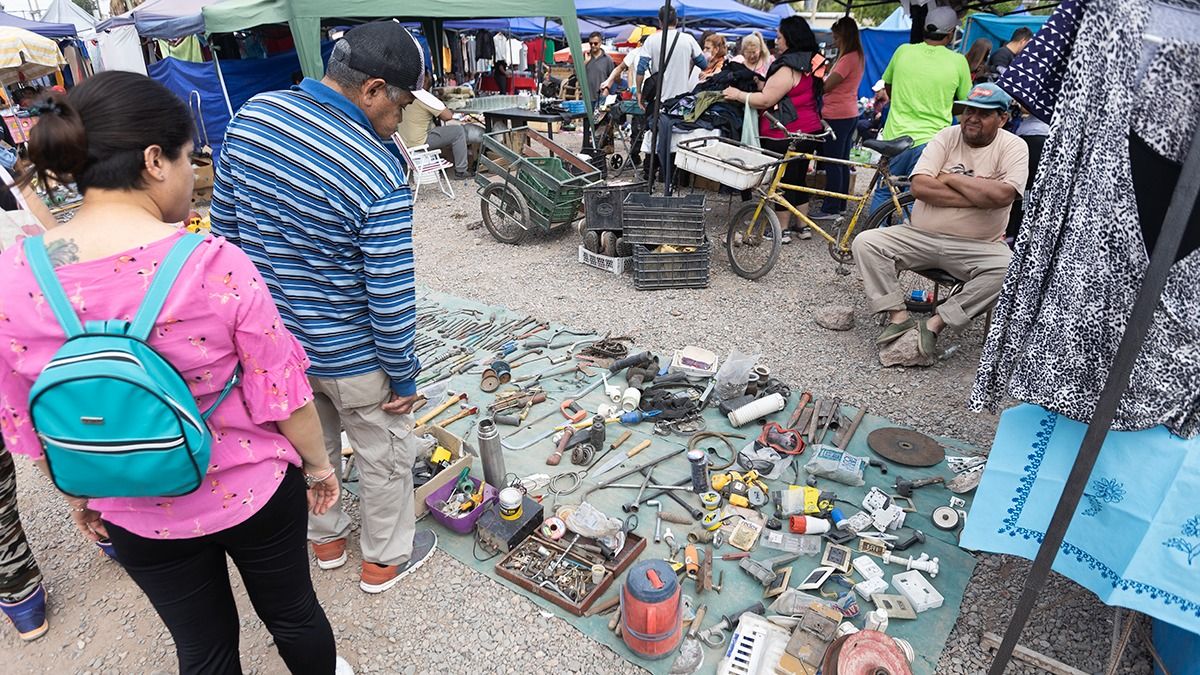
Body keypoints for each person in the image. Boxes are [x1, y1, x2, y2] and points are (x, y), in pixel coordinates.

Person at [0, 71, 346, 673]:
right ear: (156, 160)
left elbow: (25, 410)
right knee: (293, 614)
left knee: (202, 647)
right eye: (191, 158)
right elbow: (284, 396)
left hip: (132, 502)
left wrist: (81, 491)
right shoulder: (215, 263)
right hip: (252, 490)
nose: (193, 175)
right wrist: (318, 466)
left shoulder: (15, 275)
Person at [210, 22, 437, 596]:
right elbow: (388, 288)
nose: (403, 117)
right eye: (403, 103)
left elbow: (227, 245)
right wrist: (404, 372)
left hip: (278, 348)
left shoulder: (251, 119)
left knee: (307, 444)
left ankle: (326, 537)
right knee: (384, 452)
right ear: (373, 90)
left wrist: (253, 338)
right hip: (355, 355)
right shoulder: (376, 168)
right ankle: (383, 559)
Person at [851, 83, 1027, 362]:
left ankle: (935, 324)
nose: (971, 118)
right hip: (921, 235)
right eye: (968, 110)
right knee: (866, 242)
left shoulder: (1014, 146)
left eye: (983, 114)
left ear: (1002, 119)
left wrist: (950, 177)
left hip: (978, 246)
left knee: (1012, 269)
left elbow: (1004, 195)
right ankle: (899, 317)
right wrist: (981, 195)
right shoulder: (947, 136)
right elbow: (920, 187)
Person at [723, 15, 824, 244]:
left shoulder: (787, 66)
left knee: (782, 180)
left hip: (785, 132)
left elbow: (767, 100)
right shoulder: (810, 62)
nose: (776, 41)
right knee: (798, 178)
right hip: (810, 129)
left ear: (790, 38)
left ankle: (781, 229)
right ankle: (803, 226)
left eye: (779, 37)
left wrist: (738, 94)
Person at [867, 5, 972, 215]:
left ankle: (872, 241)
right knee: (919, 196)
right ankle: (909, 241)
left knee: (884, 191)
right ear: (950, 33)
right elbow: (965, 101)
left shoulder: (903, 51)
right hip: (932, 141)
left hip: (895, 135)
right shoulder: (958, 61)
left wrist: (904, 100)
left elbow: (888, 85)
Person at [813, 16, 865, 223]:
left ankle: (831, 206)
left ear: (843, 35)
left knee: (833, 162)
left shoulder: (847, 58)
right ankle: (839, 203)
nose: (833, 40)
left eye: (835, 36)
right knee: (842, 161)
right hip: (849, 112)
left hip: (837, 115)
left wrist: (818, 81)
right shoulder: (857, 56)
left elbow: (827, 86)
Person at [637, 5, 707, 107]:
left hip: (658, 101)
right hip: (680, 101)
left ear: (660, 22)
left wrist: (639, 93)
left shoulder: (651, 40)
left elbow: (640, 68)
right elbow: (703, 64)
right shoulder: (688, 39)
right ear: (676, 21)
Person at [398, 89, 473, 179]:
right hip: (420, 142)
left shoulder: (403, 96)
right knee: (458, 131)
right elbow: (448, 116)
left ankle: (443, 161)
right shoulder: (423, 97)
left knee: (441, 131)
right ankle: (461, 170)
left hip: (405, 143)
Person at [583, 32, 614, 103]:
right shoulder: (584, 56)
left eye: (595, 43)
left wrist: (607, 89)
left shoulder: (608, 59)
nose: (593, 45)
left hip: (602, 97)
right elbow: (576, 74)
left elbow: (612, 77)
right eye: (591, 43)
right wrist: (586, 62)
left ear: (600, 43)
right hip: (586, 97)